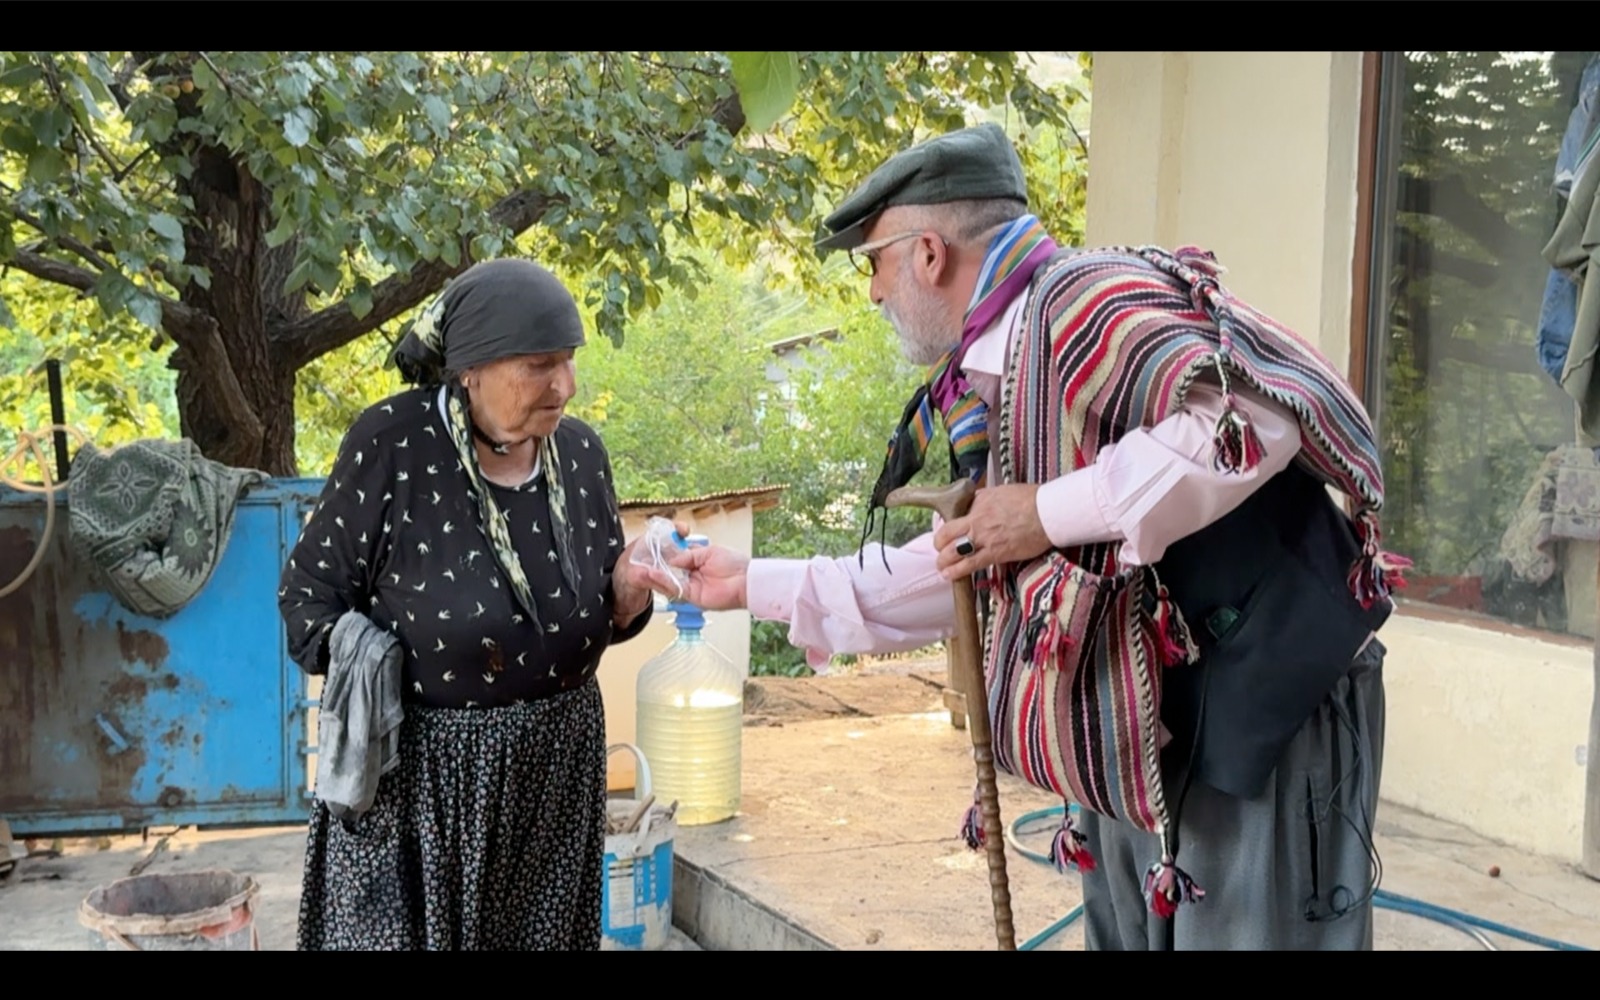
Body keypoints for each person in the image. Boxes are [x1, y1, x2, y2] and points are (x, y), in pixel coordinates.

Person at [639, 123, 1406, 950]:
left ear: (928, 253)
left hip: (1265, 720)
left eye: (874, 266)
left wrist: (1043, 512)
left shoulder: (1083, 297)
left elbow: (1252, 418)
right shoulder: (997, 378)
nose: (872, 294)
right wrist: (744, 582)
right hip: (1135, 733)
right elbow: (969, 566)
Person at [278, 258, 657, 950]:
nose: (565, 385)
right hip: (425, 790)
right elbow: (306, 603)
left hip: (554, 778)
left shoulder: (577, 454)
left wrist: (628, 592)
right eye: (541, 365)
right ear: (471, 370)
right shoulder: (393, 444)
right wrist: (370, 661)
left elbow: (596, 610)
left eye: (569, 361)